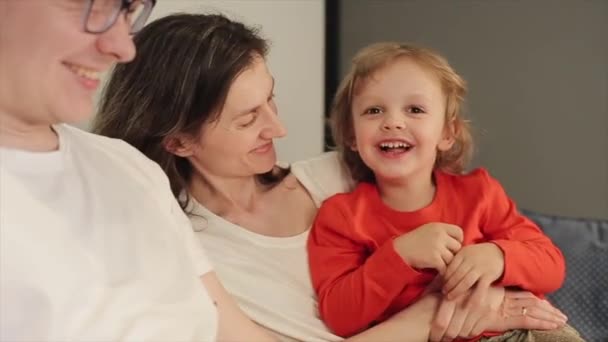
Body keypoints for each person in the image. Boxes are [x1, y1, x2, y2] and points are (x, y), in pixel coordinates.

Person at [93, 13, 570, 342]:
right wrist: (432, 314)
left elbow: (506, 238)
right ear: (179, 142)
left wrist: (495, 273)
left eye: (271, 100)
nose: (279, 129)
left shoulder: (347, 172)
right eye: (247, 119)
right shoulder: (192, 256)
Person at [0, 1, 274, 341]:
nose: (123, 48)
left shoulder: (129, 168)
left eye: (128, 12)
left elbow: (237, 334)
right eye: (94, 6)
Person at [307, 42, 582, 341]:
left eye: (415, 109)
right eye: (374, 110)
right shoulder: (340, 216)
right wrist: (399, 254)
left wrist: (497, 256)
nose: (393, 122)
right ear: (351, 134)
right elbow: (339, 317)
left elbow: (552, 265)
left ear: (447, 134)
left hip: (518, 332)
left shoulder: (479, 193)